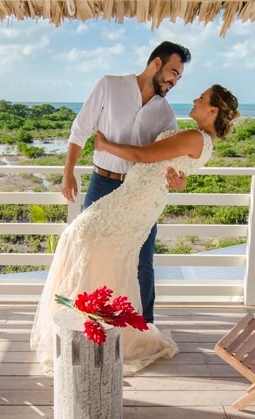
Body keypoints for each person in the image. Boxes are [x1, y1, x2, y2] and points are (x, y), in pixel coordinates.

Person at [30, 84, 240, 375]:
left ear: (213, 110)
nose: (194, 99)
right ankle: (88, 326)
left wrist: (104, 146)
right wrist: (179, 179)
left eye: (201, 98)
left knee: (83, 237)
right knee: (92, 245)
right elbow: (172, 165)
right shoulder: (198, 138)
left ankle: (99, 328)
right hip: (136, 196)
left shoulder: (196, 136)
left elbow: (144, 155)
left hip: (136, 201)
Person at [61, 41, 192, 324]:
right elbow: (80, 128)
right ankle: (88, 321)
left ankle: (144, 326)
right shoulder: (110, 86)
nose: (174, 81)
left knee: (143, 261)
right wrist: (68, 170)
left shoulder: (166, 114)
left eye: (179, 77)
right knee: (90, 252)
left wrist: (177, 180)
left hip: (140, 193)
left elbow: (170, 159)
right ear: (156, 63)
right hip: (102, 184)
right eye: (173, 72)